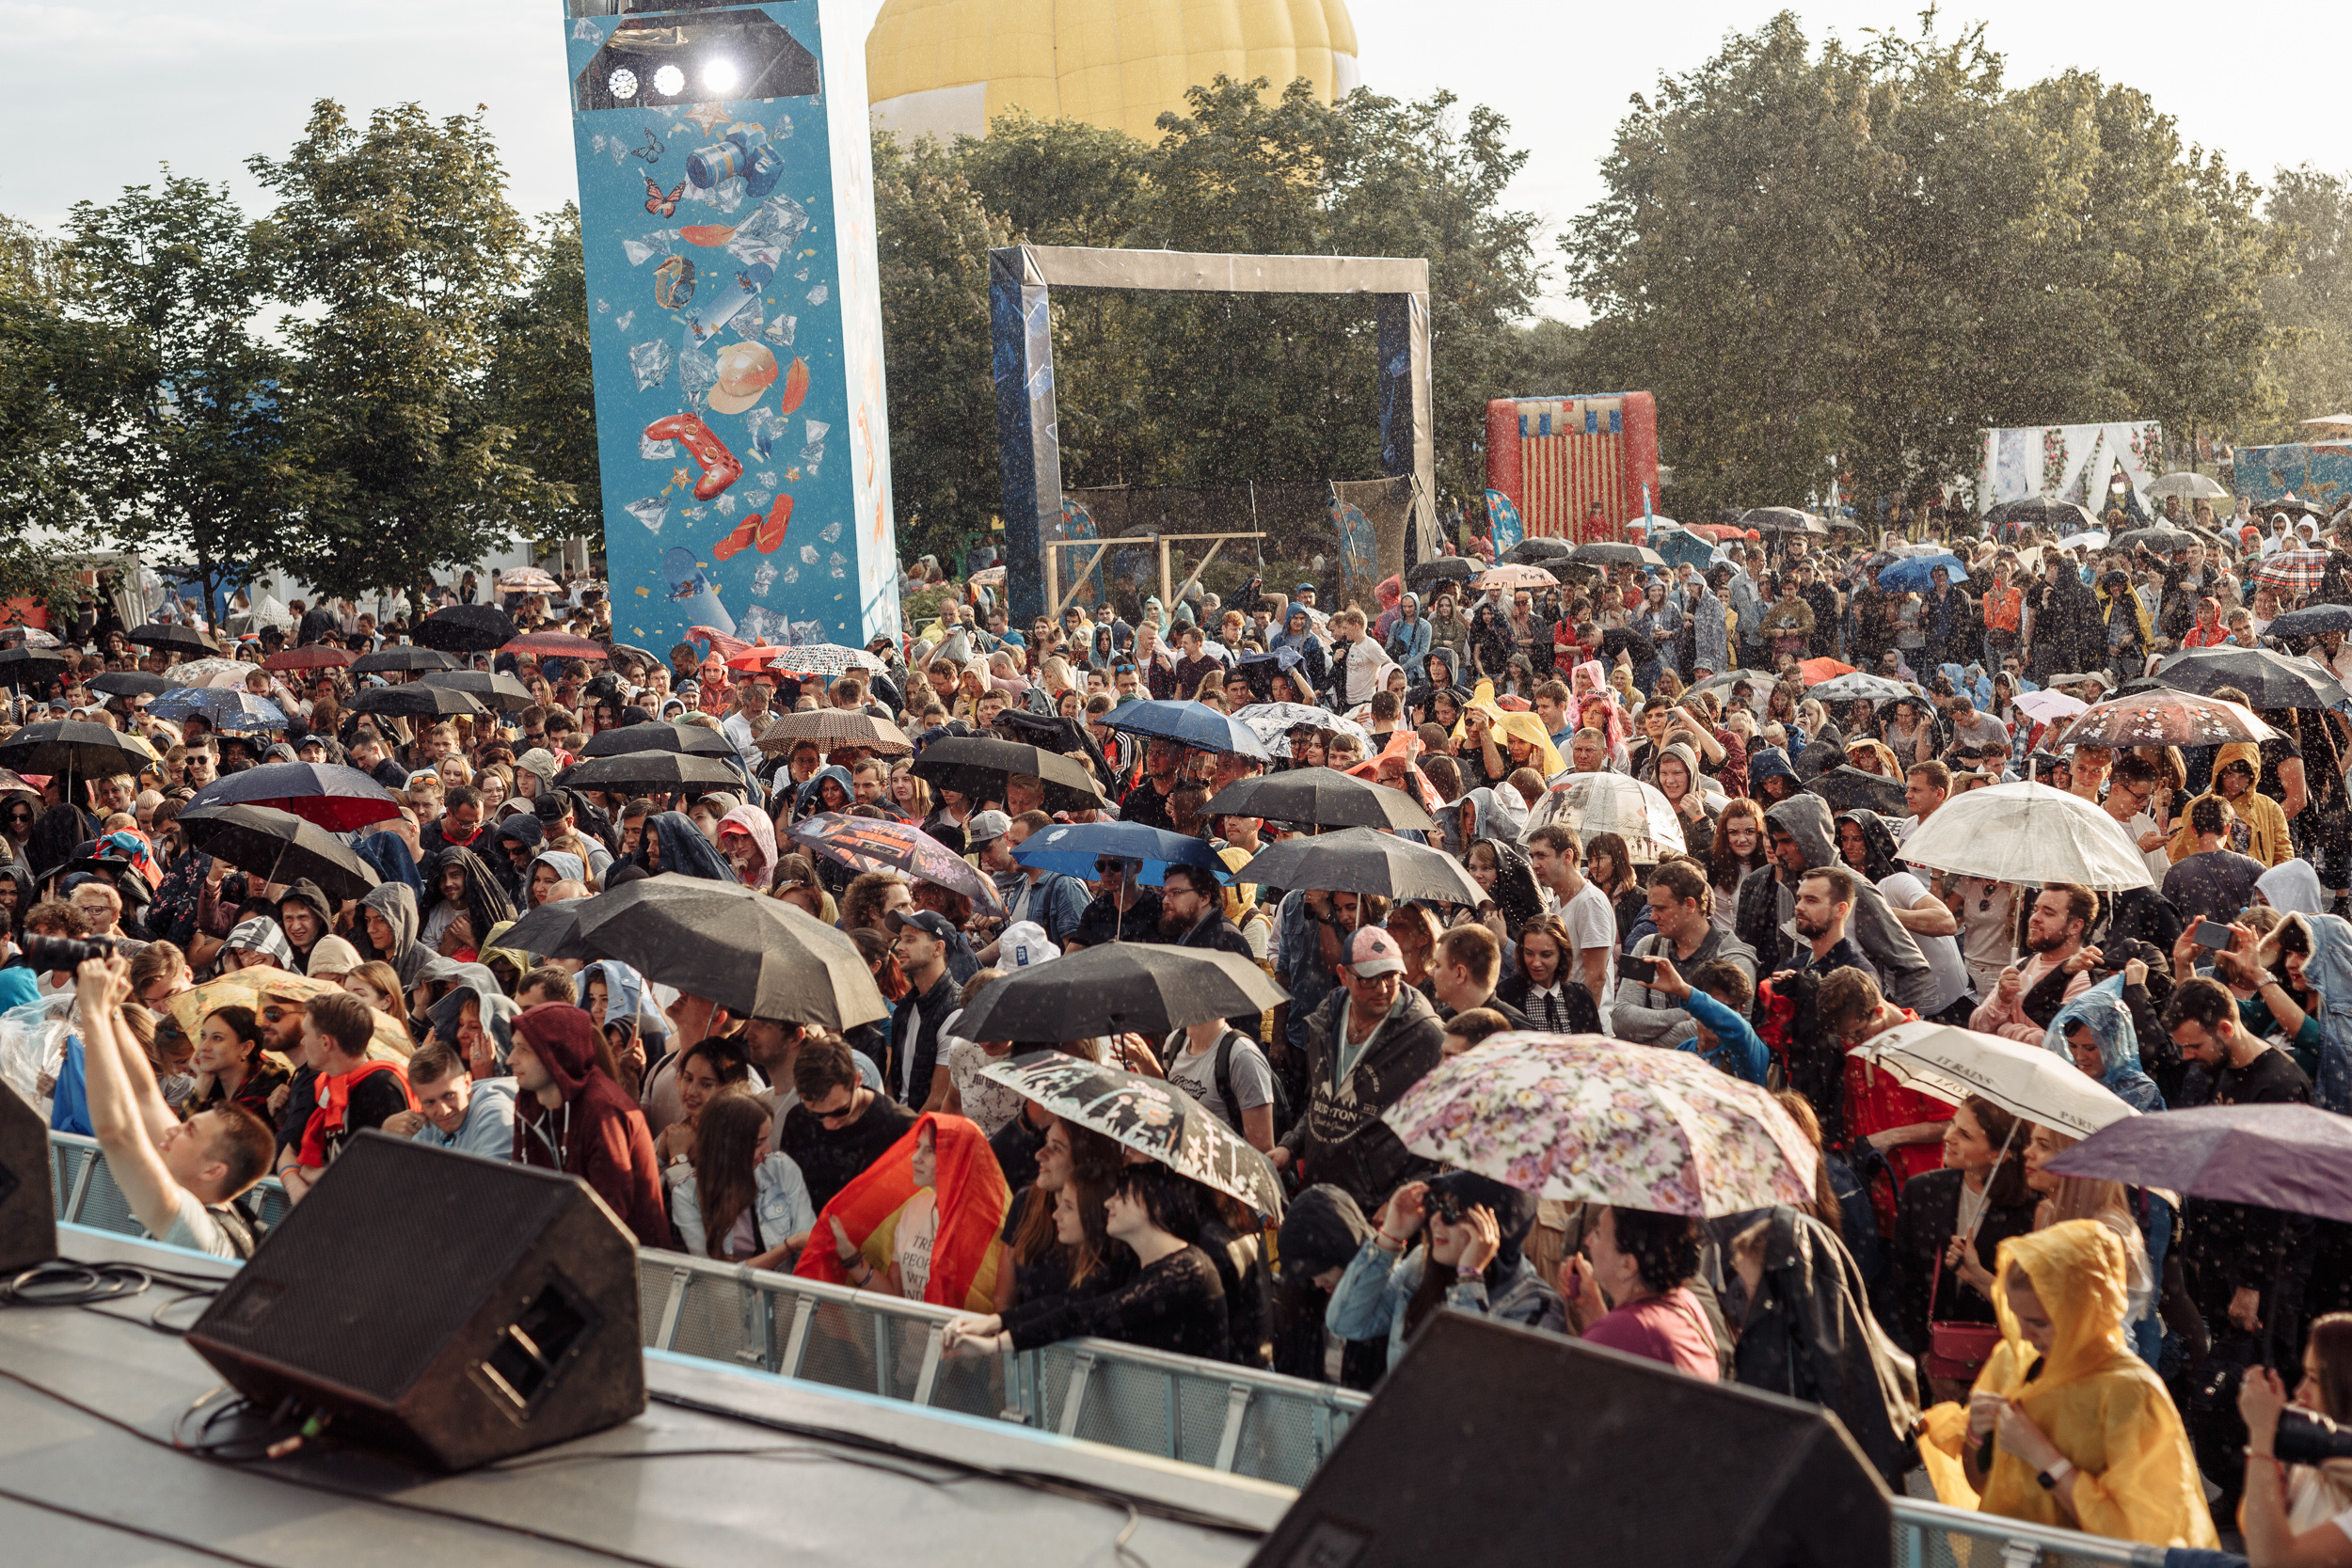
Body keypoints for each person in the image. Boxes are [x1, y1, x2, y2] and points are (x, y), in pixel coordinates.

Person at [1921, 1221, 2217, 1548]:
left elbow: (2139, 1536)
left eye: (2039, 1323)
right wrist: (1976, 1437)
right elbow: (1984, 1487)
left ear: (2085, 1310)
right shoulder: (2012, 1359)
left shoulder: (2131, 1392)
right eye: (2016, 1316)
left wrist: (2043, 1457)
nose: (2024, 1334)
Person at [72, 956, 273, 1259]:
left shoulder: (198, 1231)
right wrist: (112, 1010)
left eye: (189, 1131)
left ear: (213, 1170)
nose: (174, 1129)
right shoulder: (218, 1209)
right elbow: (144, 1094)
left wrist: (93, 1014)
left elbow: (116, 1133)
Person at [943, 1163, 1231, 1361]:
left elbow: (1088, 1316)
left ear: (1151, 1205)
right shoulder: (1132, 1263)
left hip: (1191, 1429)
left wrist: (994, 1345)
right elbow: (1068, 1303)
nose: (1108, 1203)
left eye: (1122, 1196)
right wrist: (992, 1322)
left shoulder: (1188, 1271)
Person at [1270, 927, 1445, 1212]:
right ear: (1343, 975)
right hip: (1321, 1193)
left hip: (1377, 1207)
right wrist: (1290, 1147)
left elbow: (1437, 1134)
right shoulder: (1326, 1020)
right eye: (1369, 980)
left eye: (1391, 977)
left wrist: (1399, 1200)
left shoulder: (1427, 1037)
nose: (1383, 989)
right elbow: (1322, 1100)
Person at [1326, 1173, 1564, 1366]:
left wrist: (1470, 1282)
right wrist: (1389, 1239)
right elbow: (1345, 1322)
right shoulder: (1420, 1267)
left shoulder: (1538, 1306)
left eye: (1452, 1209)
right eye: (1434, 1204)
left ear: (1494, 1226)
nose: (1435, 1220)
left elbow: (1462, 1387)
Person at [1893, 1095, 2041, 1397]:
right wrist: (1927, 1357)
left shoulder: (2033, 1211)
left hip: (2002, 1369)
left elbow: (2029, 1300)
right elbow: (1903, 1282)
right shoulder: (1922, 1191)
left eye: (1965, 1134)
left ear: (1999, 1155)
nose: (1948, 1137)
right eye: (1952, 1126)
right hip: (1929, 1362)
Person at [799, 1114, 1008, 1309]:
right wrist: (848, 1254)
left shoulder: (989, 1227)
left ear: (957, 1157)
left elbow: (997, 1309)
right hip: (911, 1346)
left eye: (929, 1150)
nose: (915, 1157)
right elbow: (895, 1297)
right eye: (918, 1147)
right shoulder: (914, 1209)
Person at [507, 1002, 669, 1246]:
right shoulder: (529, 1097)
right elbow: (523, 1190)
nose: (510, 1059)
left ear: (556, 1054)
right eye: (513, 1047)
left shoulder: (604, 1111)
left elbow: (607, 1220)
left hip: (629, 1266)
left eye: (524, 1049)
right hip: (560, 1249)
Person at [279, 990, 418, 1203]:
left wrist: (313, 1175)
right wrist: (296, 1186)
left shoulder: (382, 1086)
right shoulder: (325, 1085)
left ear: (326, 1042)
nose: (303, 1042)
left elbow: (384, 1173)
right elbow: (289, 1154)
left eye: (306, 1034)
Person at [2236, 1314, 2352, 1567]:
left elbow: (2273, 1561)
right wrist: (2273, 1481)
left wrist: (2261, 1436)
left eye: (2314, 1379)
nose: (2300, 1392)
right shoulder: (2317, 1450)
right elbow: (2251, 1525)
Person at [1558, 1205, 1720, 1380]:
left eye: (1598, 1234)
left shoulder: (1624, 1330)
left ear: (1627, 1265)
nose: (1588, 1240)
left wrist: (1604, 1326)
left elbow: (1566, 1393)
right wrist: (1592, 1306)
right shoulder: (1687, 1302)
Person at [669, 1087, 816, 1269]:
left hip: (786, 1294)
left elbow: (809, 1251)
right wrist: (787, 1247)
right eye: (758, 1143)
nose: (768, 1150)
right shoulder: (687, 1195)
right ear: (726, 1147)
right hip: (731, 1297)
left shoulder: (782, 1168)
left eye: (767, 1139)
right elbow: (718, 1279)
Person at [783, 1031, 920, 1213]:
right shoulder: (798, 1120)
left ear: (857, 1080)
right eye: (816, 1115)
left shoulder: (899, 1127)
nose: (829, 1124)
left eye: (840, 1111)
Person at [383, 1038, 516, 1159]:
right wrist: (386, 1139)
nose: (443, 1111)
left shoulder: (494, 1113)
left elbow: (492, 1184)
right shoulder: (428, 1122)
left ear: (467, 1083)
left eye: (449, 1095)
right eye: (429, 1102)